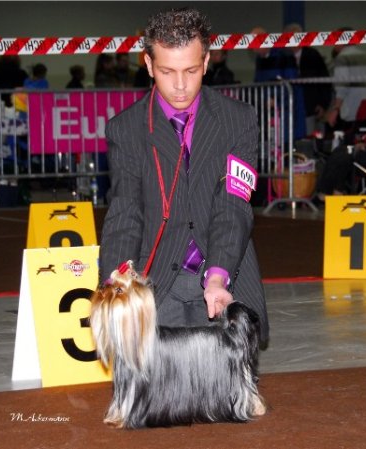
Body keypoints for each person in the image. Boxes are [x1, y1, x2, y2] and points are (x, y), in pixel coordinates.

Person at [99, 7, 269, 343]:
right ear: (149, 65)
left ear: (206, 62)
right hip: (158, 285)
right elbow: (125, 212)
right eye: (167, 71)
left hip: (224, 276)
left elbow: (233, 205)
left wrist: (218, 276)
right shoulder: (125, 129)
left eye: (191, 70)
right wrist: (116, 282)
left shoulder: (239, 120)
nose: (180, 86)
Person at [284, 23, 332, 136]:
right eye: (289, 37)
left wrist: (323, 104)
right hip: (288, 108)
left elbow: (324, 80)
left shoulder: (313, 55)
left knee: (310, 138)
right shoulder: (282, 57)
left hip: (310, 107)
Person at [326, 27, 366, 134]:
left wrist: (335, 109)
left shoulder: (342, 58)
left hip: (354, 110)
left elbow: (342, 86)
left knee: (352, 141)